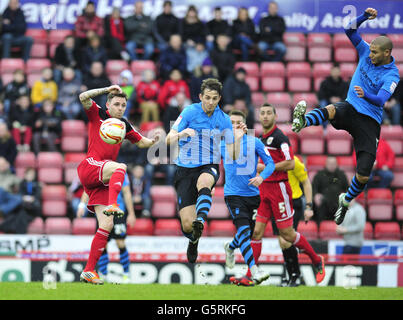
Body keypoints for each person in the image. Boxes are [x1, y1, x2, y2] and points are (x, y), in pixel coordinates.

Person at [291, 8, 400, 225]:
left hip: (369, 122)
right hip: (351, 107)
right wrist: (364, 18)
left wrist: (366, 94)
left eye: (375, 52)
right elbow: (348, 30)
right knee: (332, 109)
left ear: (387, 53)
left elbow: (380, 100)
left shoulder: (392, 74)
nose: (370, 55)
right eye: (370, 51)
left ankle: (346, 200)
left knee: (363, 175)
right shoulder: (366, 52)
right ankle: (303, 121)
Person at [231, 103, 325, 286]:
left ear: (275, 116)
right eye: (262, 113)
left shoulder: (280, 138)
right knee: (256, 232)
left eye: (268, 113)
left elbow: (290, 163)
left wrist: (265, 167)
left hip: (279, 190)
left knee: (287, 235)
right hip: (263, 189)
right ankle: (251, 274)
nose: (265, 116)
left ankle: (316, 260)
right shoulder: (260, 137)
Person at [77, 84, 159, 284]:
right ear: (108, 104)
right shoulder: (98, 114)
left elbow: (141, 142)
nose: (120, 108)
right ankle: (114, 204)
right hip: (90, 166)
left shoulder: (124, 125)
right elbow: (83, 97)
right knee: (121, 167)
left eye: (123, 105)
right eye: (117, 104)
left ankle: (89, 270)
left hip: (102, 179)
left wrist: (155, 140)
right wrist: (106, 88)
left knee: (107, 224)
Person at [165, 78, 246, 264]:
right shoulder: (189, 112)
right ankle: (194, 239)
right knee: (186, 225)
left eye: (214, 98)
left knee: (205, 182)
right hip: (184, 169)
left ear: (219, 99)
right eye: (207, 97)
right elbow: (169, 139)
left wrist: (238, 138)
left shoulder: (224, 120)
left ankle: (200, 220)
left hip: (209, 164)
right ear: (201, 96)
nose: (210, 102)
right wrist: (181, 134)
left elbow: (232, 155)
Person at [222, 110, 275, 286]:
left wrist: (261, 177)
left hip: (253, 195)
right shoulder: (224, 144)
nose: (234, 125)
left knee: (246, 233)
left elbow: (271, 164)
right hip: (233, 195)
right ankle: (255, 270)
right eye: (231, 122)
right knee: (244, 231)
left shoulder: (255, 142)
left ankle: (230, 247)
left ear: (243, 125)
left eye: (238, 122)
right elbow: (233, 155)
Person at [77, 173, 136, 284]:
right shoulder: (98, 171)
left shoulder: (120, 171)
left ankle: (126, 275)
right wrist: (81, 205)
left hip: (118, 212)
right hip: (102, 212)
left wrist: (131, 213)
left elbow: (127, 192)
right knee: (102, 243)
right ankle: (103, 274)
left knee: (121, 243)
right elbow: (88, 189)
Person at [272, 155, 314, 287]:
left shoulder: (294, 161)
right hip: (276, 202)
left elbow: (306, 182)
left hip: (292, 202)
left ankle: (295, 276)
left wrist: (309, 206)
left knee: (286, 239)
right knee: (282, 242)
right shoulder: (267, 160)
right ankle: (290, 276)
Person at [312, 156, 349, 222]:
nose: (332, 165)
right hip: (323, 202)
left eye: (334, 164)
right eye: (330, 164)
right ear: (326, 164)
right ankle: (321, 226)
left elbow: (347, 189)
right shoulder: (319, 175)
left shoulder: (342, 175)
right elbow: (314, 188)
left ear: (337, 164)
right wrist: (315, 195)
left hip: (338, 201)